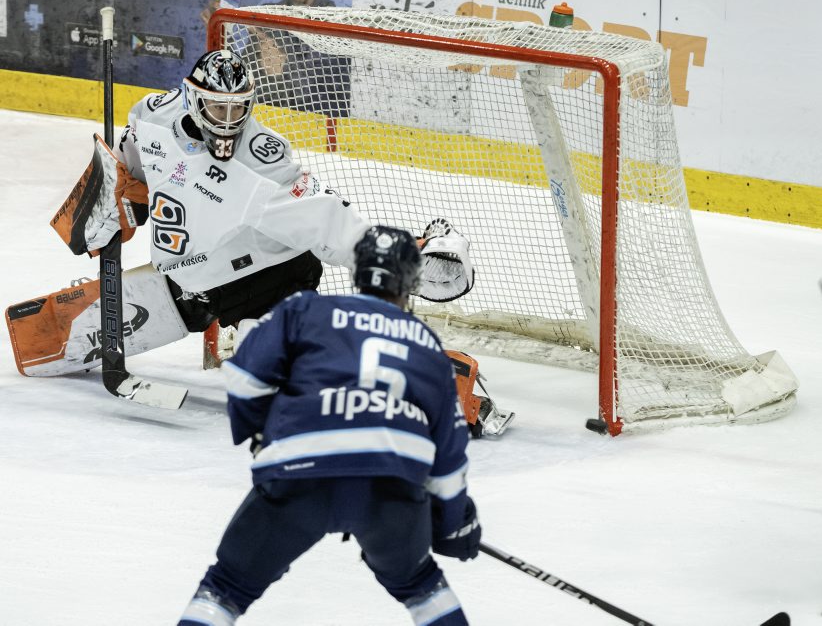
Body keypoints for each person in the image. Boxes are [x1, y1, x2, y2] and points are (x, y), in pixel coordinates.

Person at [11, 49, 473, 378]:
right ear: (192, 98)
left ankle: (430, 374)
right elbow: (125, 163)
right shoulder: (152, 115)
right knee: (42, 344)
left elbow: (320, 216)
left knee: (296, 371)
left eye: (239, 108)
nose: (229, 119)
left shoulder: (262, 156)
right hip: (191, 278)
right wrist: (109, 204)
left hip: (271, 274)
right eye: (218, 106)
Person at [178, 225, 480, 626]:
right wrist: (454, 520)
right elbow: (449, 456)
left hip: (300, 473)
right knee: (423, 587)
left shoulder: (304, 309)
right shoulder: (426, 345)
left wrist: (260, 434)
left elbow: (245, 378)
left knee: (227, 586)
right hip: (391, 487)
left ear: (358, 269)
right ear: (411, 281)